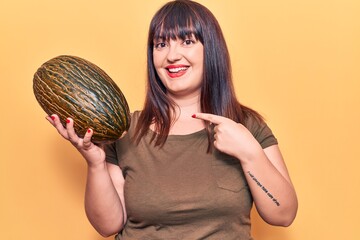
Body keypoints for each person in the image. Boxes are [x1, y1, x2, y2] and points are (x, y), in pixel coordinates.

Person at [47, 0, 298, 239]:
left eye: (187, 41)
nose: (171, 56)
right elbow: (108, 225)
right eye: (160, 44)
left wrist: (250, 153)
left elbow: (283, 215)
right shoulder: (126, 131)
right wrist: (96, 164)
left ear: (211, 50)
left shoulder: (245, 125)